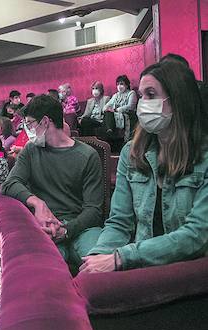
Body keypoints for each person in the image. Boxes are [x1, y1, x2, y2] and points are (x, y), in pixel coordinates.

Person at [82, 59, 208, 273]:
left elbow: (197, 235)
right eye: (141, 96)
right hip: (142, 270)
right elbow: (120, 222)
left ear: (178, 100)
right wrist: (98, 257)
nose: (143, 104)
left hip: (191, 275)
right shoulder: (131, 152)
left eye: (151, 95)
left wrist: (121, 257)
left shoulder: (203, 157)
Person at [0, 94, 105, 267]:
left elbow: (93, 210)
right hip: (44, 226)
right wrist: (38, 203)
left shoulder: (87, 155)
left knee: (101, 264)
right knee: (42, 269)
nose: (27, 129)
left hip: (81, 227)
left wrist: (66, 230)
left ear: (45, 122)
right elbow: (9, 184)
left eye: (30, 123)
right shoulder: (31, 150)